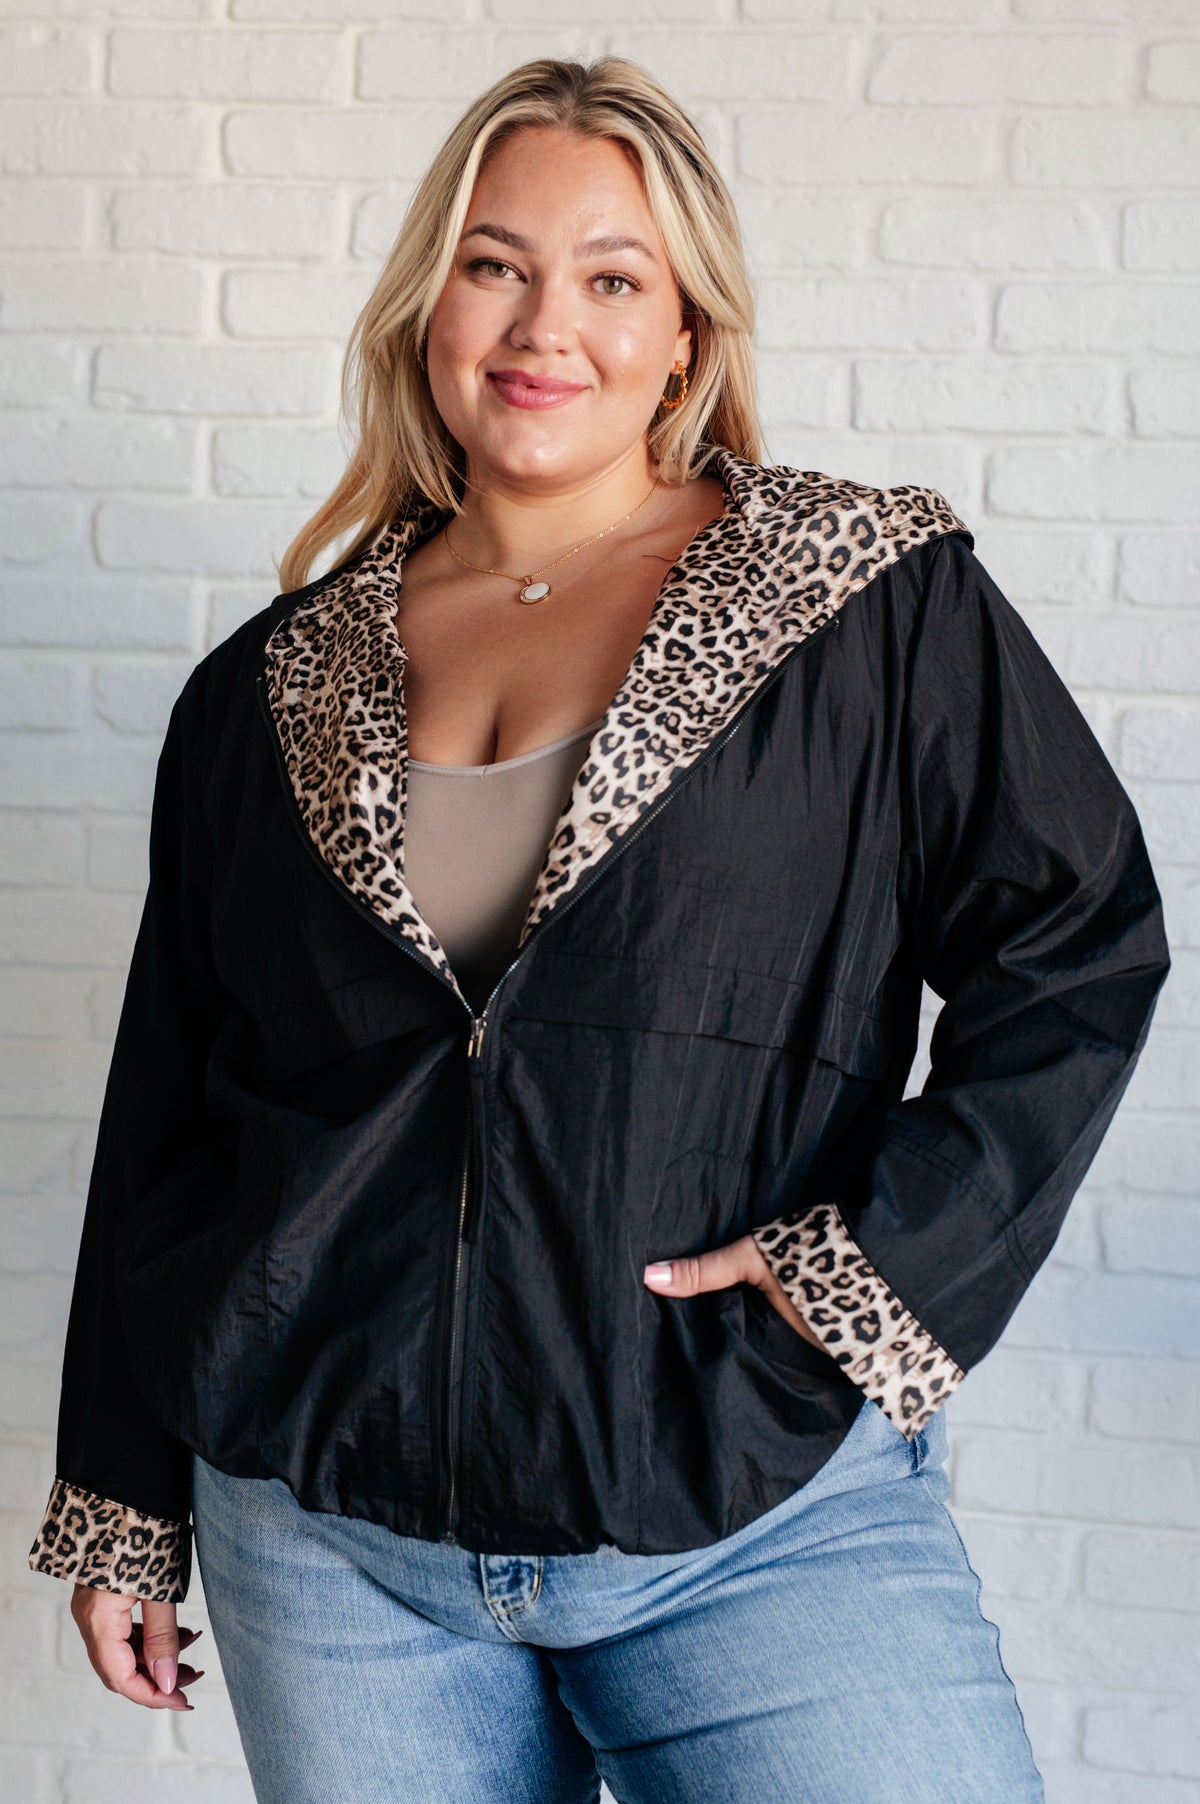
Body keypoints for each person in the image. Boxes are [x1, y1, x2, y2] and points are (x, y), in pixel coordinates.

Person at [28, 55, 1169, 1804]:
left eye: (612, 276)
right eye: (495, 262)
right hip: (329, 1539)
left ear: (688, 333)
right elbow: (171, 1096)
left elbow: (1079, 941)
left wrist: (869, 1277)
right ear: (427, 304)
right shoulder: (267, 688)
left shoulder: (865, 601)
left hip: (748, 1500)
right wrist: (123, 1499)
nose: (543, 322)